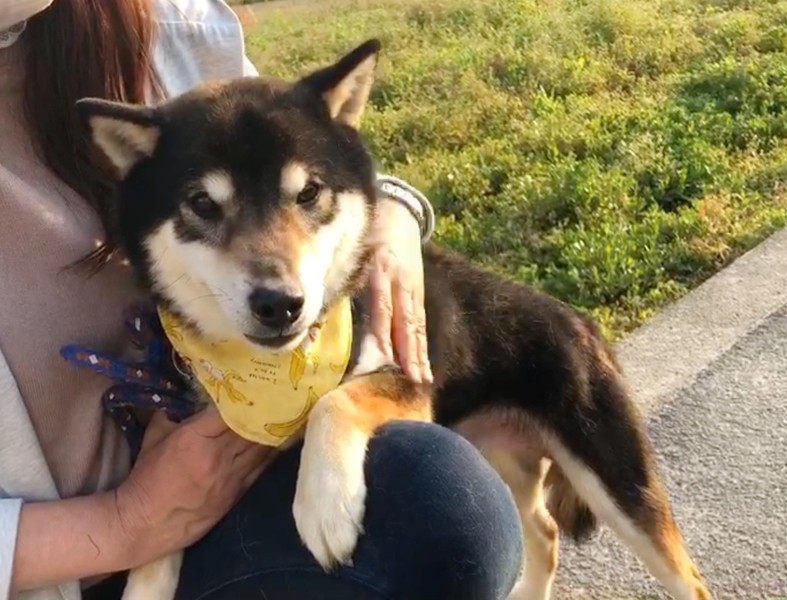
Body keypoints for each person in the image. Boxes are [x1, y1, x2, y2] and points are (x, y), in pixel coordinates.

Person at [0, 1, 523, 599]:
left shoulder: (164, 21)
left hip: (219, 475)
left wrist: (394, 215)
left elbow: (302, 151)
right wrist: (127, 524)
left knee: (437, 498)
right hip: (67, 570)